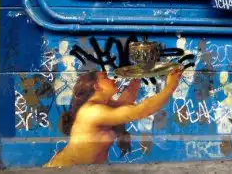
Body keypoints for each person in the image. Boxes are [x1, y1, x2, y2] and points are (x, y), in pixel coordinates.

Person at [44, 67, 184, 167]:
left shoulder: (101, 106)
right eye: (105, 77)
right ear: (97, 86)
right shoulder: (92, 111)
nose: (112, 79)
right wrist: (170, 87)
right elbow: (140, 110)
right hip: (64, 169)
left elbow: (124, 102)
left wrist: (137, 76)